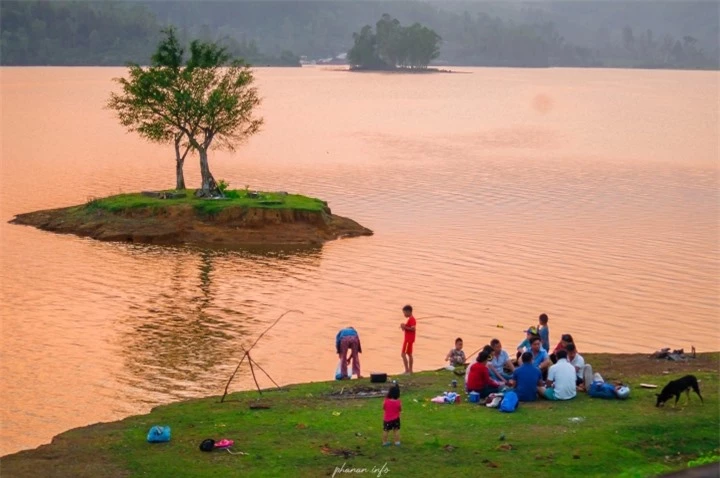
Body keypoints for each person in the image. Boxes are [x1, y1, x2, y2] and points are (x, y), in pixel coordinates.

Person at [400, 305, 416, 374]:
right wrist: (403, 326)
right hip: (408, 339)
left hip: (408, 340)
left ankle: (407, 370)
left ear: (408, 311)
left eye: (404, 313)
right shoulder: (410, 319)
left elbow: (413, 329)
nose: (404, 314)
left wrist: (405, 327)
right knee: (409, 354)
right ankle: (410, 370)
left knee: (403, 354)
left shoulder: (412, 319)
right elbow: (407, 329)